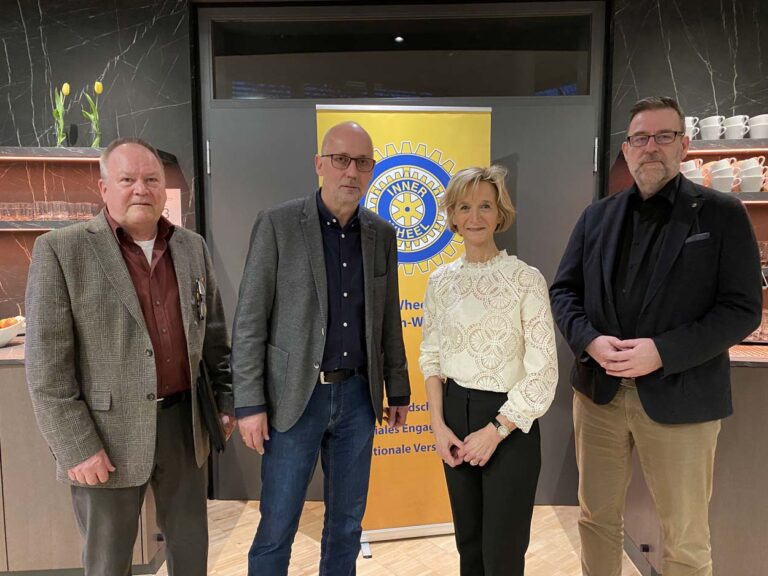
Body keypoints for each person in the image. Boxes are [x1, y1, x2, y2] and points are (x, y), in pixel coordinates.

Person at [550, 96, 762, 576]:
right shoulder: (596, 217)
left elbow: (742, 309)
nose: (651, 148)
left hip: (682, 397)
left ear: (684, 145)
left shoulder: (722, 215)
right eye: (641, 138)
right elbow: (564, 292)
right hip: (599, 397)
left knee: (685, 536)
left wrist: (661, 353)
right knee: (596, 520)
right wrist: (588, 340)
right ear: (626, 150)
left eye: (663, 136)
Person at [25, 138, 235, 576]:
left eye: (151, 179)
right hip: (105, 437)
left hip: (183, 427)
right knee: (108, 562)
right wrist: (78, 448)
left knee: (191, 552)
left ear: (164, 188)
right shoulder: (61, 251)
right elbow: (47, 371)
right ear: (104, 188)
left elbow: (213, 335)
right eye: (127, 180)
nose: (141, 189)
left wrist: (227, 403)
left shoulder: (191, 247)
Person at [231, 121, 411, 576]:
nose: (351, 171)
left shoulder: (381, 235)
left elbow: (388, 319)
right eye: (340, 159)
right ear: (319, 164)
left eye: (362, 162)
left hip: (357, 399)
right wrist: (249, 402)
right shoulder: (277, 224)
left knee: (347, 527)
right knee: (277, 526)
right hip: (294, 399)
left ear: (371, 170)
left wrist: (399, 388)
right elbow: (250, 321)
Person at [419, 165, 558, 576]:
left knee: (503, 551)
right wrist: (438, 425)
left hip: (510, 422)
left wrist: (495, 430)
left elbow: (543, 372)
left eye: (485, 205)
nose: (475, 217)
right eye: (465, 206)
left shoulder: (526, 280)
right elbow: (431, 356)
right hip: (454, 414)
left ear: (500, 214)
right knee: (469, 545)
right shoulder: (440, 282)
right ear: (453, 216)